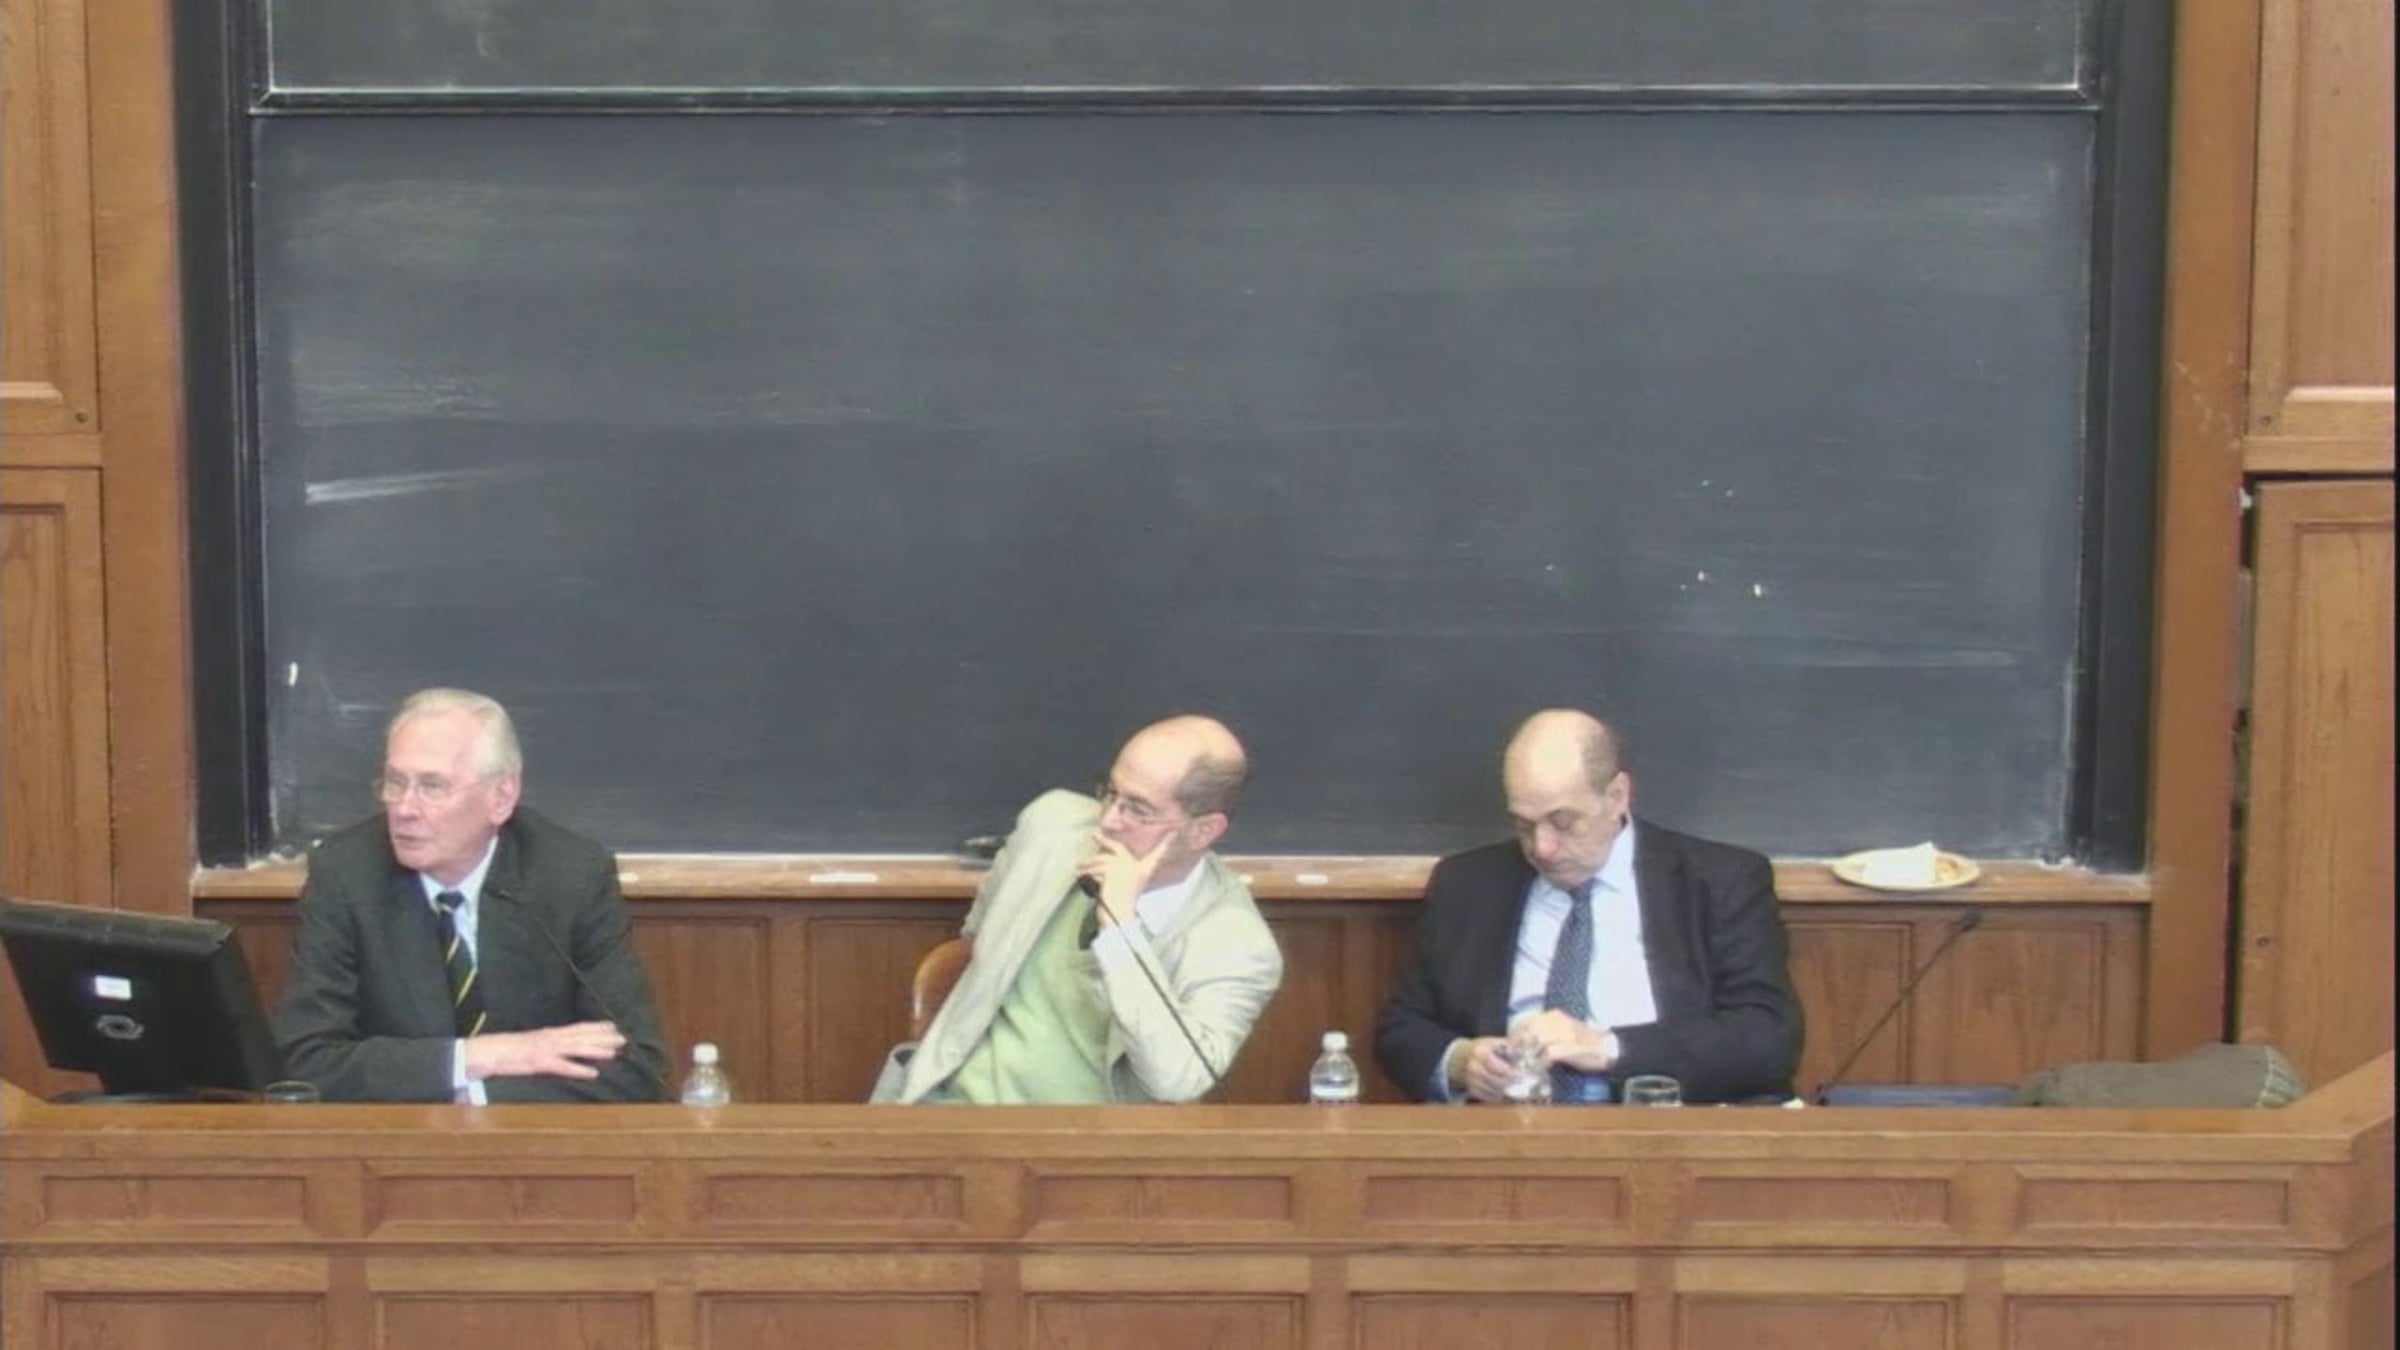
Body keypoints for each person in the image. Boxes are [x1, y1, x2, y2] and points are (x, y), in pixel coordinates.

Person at [1375, 708, 1801, 1105]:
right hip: (1512, 1133)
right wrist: (1461, 1062)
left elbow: (1768, 1038)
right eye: (1524, 825)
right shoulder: (1468, 885)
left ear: (1617, 796)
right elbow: (1403, 1028)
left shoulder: (1717, 881)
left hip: (1670, 1131)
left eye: (1563, 822)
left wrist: (1608, 1047)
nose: (1542, 848)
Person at [274, 688, 670, 1102]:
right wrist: (475, 1057)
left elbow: (636, 1067)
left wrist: (477, 1094)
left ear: (501, 797)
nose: (404, 809)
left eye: (432, 786)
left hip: (528, 1136)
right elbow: (305, 1063)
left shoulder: (570, 877)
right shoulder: (346, 874)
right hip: (395, 1138)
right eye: (395, 783)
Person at [873, 715, 1283, 1104]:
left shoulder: (1238, 946)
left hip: (1086, 1143)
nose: (1108, 820)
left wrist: (1121, 929)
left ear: (1203, 830)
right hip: (951, 1106)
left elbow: (1177, 1079)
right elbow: (977, 935)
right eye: (1110, 792)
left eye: (1138, 809)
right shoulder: (1051, 827)